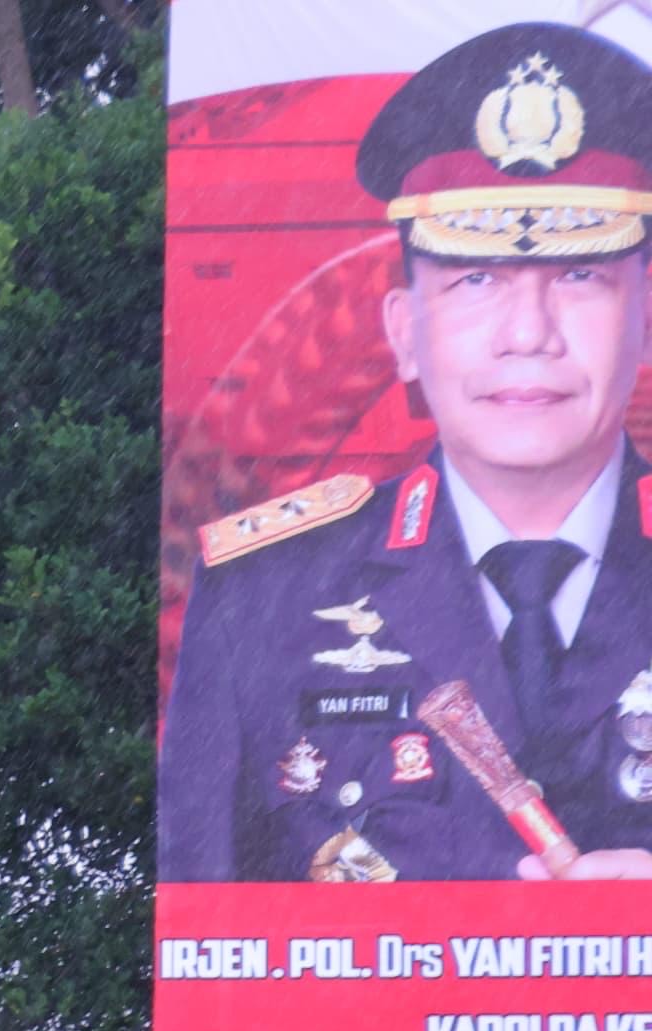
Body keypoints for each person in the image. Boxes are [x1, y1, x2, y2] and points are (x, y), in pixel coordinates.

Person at [159, 27, 652, 885]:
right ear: (402, 333)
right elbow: (203, 945)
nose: (527, 335)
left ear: (645, 318)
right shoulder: (263, 598)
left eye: (580, 278)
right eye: (476, 281)